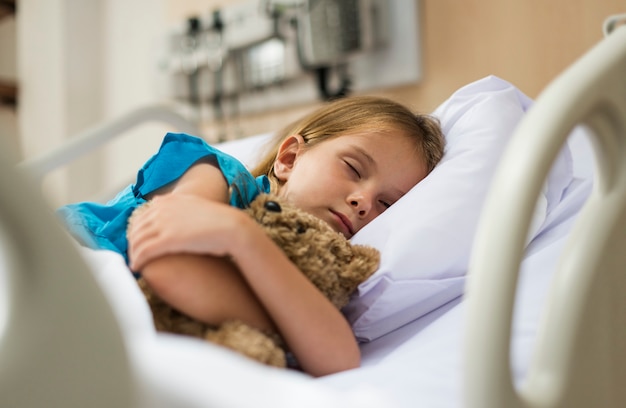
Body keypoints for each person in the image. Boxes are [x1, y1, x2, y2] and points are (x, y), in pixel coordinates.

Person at [58, 96, 445, 377]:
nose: (363, 202)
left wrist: (248, 243)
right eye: (353, 168)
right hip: (62, 259)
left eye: (386, 204)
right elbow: (169, 266)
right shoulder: (217, 174)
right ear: (290, 158)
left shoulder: (325, 274)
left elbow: (339, 360)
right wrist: (243, 237)